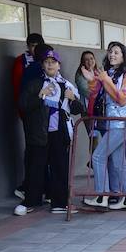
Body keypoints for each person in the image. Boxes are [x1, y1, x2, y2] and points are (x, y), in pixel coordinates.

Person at [17, 45, 83, 215]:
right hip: (40, 132)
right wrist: (40, 96)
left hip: (59, 132)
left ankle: (60, 202)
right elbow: (23, 105)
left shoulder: (66, 85)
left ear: (59, 65)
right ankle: (30, 201)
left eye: (53, 62)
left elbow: (77, 109)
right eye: (46, 62)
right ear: (42, 65)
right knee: (35, 168)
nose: (50, 65)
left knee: (60, 167)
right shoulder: (35, 84)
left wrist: (72, 99)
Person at [85, 42, 126, 211]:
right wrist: (93, 81)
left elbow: (122, 99)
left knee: (98, 157)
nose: (112, 55)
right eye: (110, 52)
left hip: (121, 124)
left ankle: (101, 196)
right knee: (119, 162)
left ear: (123, 56)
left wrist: (104, 80)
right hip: (113, 123)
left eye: (116, 52)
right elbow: (95, 95)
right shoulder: (109, 73)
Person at [11, 32, 44, 201]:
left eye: (37, 45)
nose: (33, 49)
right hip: (29, 112)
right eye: (31, 45)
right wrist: (22, 111)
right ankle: (28, 187)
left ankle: (42, 186)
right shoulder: (21, 62)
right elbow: (18, 88)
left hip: (46, 115)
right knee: (32, 150)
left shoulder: (48, 61)